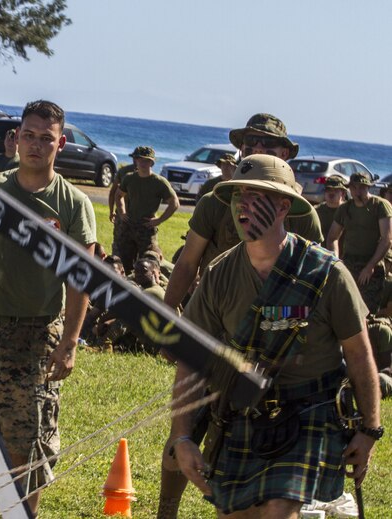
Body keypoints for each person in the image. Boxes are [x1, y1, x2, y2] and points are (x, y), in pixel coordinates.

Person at [171, 154, 381, 518]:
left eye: (257, 196)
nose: (243, 205)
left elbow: (360, 354)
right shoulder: (221, 273)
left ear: (283, 207)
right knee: (234, 514)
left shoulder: (326, 273)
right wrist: (183, 437)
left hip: (309, 411)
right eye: (238, 196)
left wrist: (370, 430)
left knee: (279, 509)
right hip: (243, 412)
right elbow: (192, 359)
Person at [157, 113, 323, 518]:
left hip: (276, 347)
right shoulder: (218, 201)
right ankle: (166, 511)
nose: (253, 150)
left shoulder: (301, 214)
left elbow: (317, 286)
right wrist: (167, 322)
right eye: (248, 143)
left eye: (264, 144)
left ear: (284, 154)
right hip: (217, 334)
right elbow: (187, 263)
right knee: (182, 438)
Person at [0, 100, 96, 517]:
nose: (36, 145)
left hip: (36, 337)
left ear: (60, 144)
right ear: (16, 138)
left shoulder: (74, 204)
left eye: (47, 138)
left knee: (28, 444)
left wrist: (70, 342)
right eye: (29, 135)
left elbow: (82, 279)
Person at [326, 171, 392, 311]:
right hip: (349, 264)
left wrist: (370, 267)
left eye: (362, 187)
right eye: (354, 187)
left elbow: (386, 239)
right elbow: (332, 237)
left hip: (371, 267)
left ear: (368, 187)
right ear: (349, 189)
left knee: (367, 310)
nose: (357, 191)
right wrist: (336, 262)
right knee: (344, 308)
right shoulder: (345, 208)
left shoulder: (380, 206)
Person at [115, 146, 179, 273]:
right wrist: (122, 212)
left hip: (146, 228)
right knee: (125, 262)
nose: (143, 163)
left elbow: (174, 203)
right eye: (139, 159)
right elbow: (118, 195)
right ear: (135, 161)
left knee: (147, 264)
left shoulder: (159, 182)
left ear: (152, 162)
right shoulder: (129, 178)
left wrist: (159, 220)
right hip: (128, 226)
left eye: (146, 160)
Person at [109, 158, 136, 258]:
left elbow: (113, 193)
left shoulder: (123, 171)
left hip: (123, 215)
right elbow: (113, 193)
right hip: (124, 215)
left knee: (118, 246)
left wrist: (112, 211)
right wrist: (112, 211)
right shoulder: (124, 171)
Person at [315, 175, 348, 247]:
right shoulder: (317, 211)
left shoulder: (349, 211)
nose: (331, 193)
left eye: (336, 190)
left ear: (343, 193)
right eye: (328, 190)